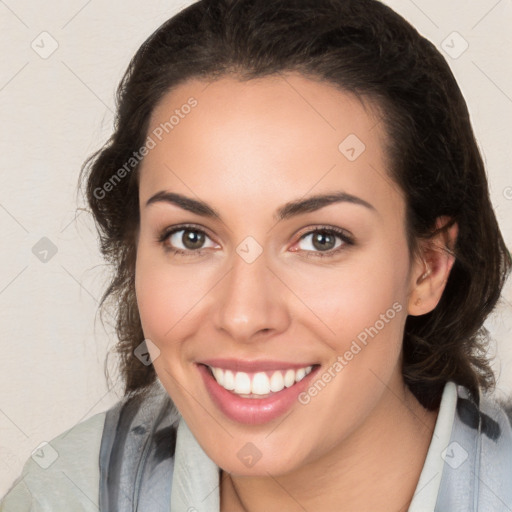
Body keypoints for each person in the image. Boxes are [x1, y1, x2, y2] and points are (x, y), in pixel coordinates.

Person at [2, 0, 511, 510]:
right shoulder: (63, 496)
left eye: (321, 239)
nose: (243, 316)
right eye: (190, 237)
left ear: (428, 267)